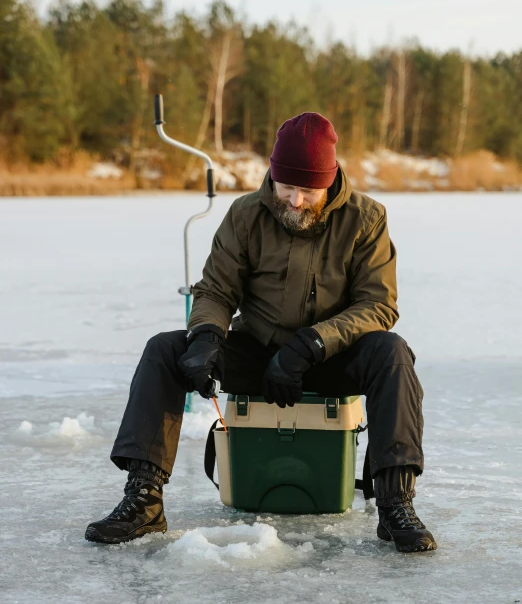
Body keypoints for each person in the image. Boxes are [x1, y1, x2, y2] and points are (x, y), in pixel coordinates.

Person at [85, 112, 437, 553]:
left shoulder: (366, 218)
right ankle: (143, 500)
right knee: (164, 349)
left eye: (308, 190)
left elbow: (378, 304)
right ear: (272, 175)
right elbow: (214, 288)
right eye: (286, 186)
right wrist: (207, 337)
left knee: (392, 353)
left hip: (330, 357)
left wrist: (313, 343)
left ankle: (395, 505)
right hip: (258, 354)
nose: (294, 200)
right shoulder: (246, 214)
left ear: (329, 182)